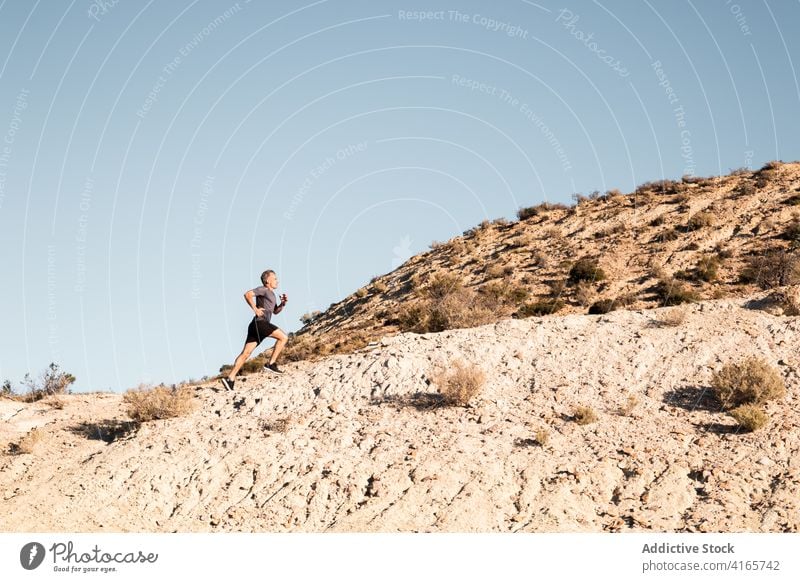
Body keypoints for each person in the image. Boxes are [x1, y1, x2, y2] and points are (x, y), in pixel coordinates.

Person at [220, 270, 288, 391]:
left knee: (246, 353)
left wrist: (282, 304)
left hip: (255, 325)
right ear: (268, 281)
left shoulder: (271, 294)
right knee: (283, 337)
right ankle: (271, 364)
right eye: (275, 278)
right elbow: (247, 294)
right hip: (260, 323)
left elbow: (275, 311)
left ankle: (230, 379)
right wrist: (255, 309)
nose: (277, 280)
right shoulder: (264, 289)